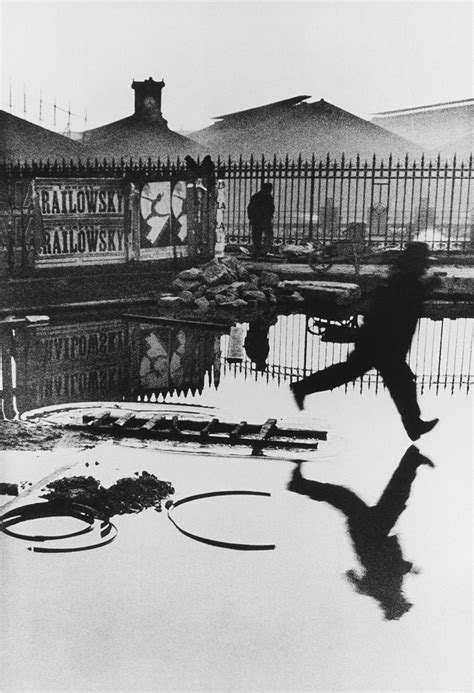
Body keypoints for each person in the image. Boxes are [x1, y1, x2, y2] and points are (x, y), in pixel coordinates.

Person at [290, 242, 440, 441]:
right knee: (401, 382)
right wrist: (428, 285)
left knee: (351, 373)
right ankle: (413, 425)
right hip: (384, 344)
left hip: (381, 342)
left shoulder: (402, 278)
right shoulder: (404, 281)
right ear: (417, 262)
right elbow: (402, 303)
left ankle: (303, 387)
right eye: (423, 262)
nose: (425, 266)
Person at [287, 446, 434, 620]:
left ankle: (412, 460)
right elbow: (365, 581)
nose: (404, 598)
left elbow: (387, 569)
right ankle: (299, 484)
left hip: (372, 532)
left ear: (396, 601)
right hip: (370, 533)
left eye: (402, 601)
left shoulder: (387, 590)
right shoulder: (383, 591)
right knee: (349, 497)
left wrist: (408, 568)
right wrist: (356, 579)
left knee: (391, 496)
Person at [247, 183, 275, 257]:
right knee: (268, 235)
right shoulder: (269, 197)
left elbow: (250, 208)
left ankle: (257, 251)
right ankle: (265, 250)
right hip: (264, 219)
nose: (270, 190)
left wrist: (251, 218)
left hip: (257, 220)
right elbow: (271, 208)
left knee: (257, 236)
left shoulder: (256, 196)